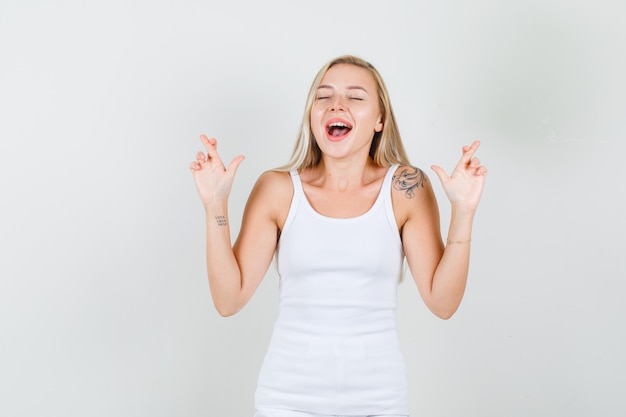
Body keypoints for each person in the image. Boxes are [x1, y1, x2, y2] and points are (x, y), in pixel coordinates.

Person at [189, 55, 487, 417]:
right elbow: (228, 299)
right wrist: (215, 204)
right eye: (324, 95)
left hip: (379, 400)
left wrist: (464, 212)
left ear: (380, 120)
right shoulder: (277, 189)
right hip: (287, 399)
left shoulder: (406, 188)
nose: (337, 104)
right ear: (313, 114)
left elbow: (443, 303)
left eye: (356, 97)